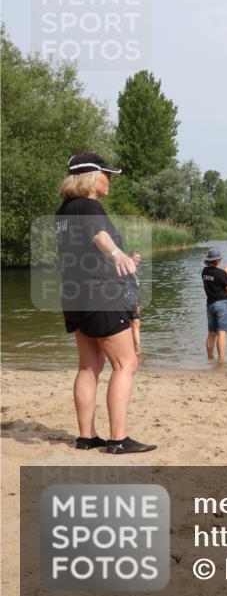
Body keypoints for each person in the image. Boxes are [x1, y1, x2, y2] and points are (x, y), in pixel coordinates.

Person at [55, 152, 156, 454]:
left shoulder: (64, 211)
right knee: (126, 363)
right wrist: (117, 255)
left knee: (89, 366)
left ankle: (87, 436)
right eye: (106, 174)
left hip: (74, 296)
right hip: (101, 295)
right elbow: (100, 236)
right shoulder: (90, 205)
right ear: (90, 176)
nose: (110, 179)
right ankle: (119, 438)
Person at [202, 248, 227, 362]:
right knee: (221, 332)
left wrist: (225, 275)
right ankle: (221, 359)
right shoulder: (221, 274)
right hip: (222, 304)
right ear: (218, 260)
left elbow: (215, 281)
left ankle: (210, 358)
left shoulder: (204, 272)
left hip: (210, 304)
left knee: (211, 333)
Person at [127, 250, 143, 355]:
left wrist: (138, 303)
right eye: (136, 257)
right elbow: (128, 288)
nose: (138, 260)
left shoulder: (134, 271)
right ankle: (136, 347)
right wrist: (134, 303)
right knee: (135, 323)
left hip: (133, 301)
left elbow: (136, 288)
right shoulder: (127, 270)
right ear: (130, 258)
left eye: (139, 258)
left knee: (135, 323)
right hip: (127, 301)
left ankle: (136, 346)